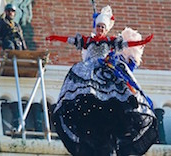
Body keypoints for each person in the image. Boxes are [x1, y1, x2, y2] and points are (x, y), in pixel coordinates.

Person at [46, 5, 158, 156]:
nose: (99, 29)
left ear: (106, 30)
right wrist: (55, 37)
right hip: (90, 69)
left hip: (106, 68)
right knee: (86, 86)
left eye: (102, 27)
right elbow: (70, 40)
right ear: (95, 27)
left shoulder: (110, 41)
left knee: (116, 86)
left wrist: (142, 41)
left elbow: (127, 45)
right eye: (98, 26)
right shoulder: (87, 40)